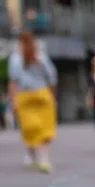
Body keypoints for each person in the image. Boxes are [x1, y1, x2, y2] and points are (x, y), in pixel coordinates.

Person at [8, 31, 57, 173]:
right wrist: (53, 96)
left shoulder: (15, 58)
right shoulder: (41, 56)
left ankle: (32, 156)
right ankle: (44, 158)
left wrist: (12, 100)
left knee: (29, 128)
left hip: (24, 96)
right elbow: (52, 77)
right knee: (45, 128)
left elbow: (13, 81)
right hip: (42, 93)